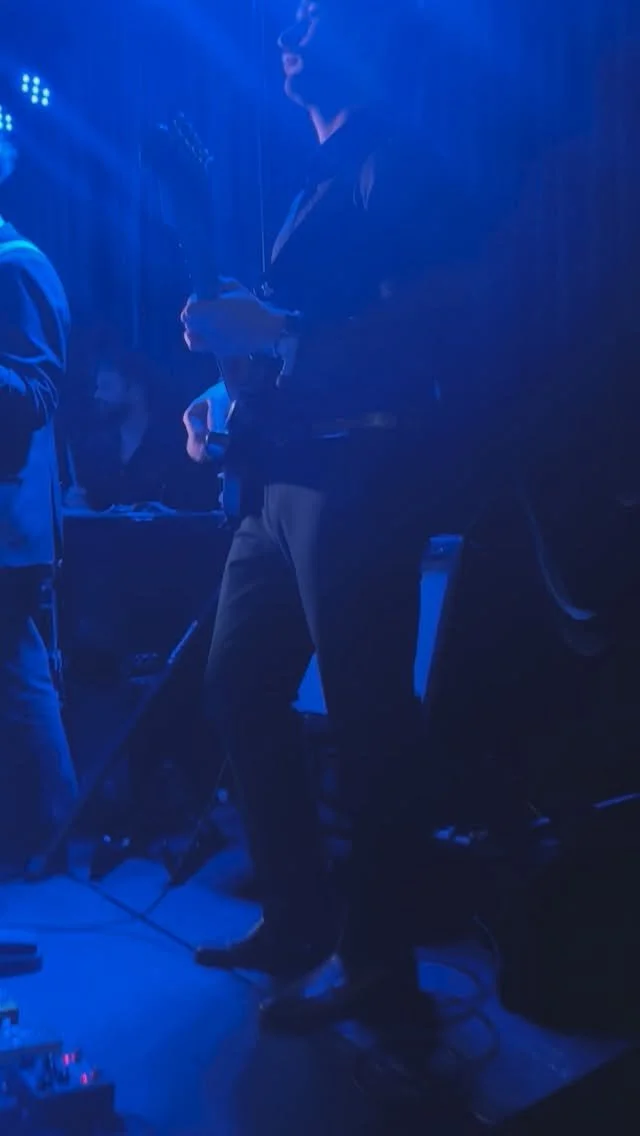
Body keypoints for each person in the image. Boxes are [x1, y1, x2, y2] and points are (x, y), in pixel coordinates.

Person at [182, 0, 486, 1030]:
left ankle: (383, 968)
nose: (287, 35)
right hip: (280, 480)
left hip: (355, 477)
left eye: (312, 17)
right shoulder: (316, 178)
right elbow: (289, 346)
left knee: (367, 721)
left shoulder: (395, 164)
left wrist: (272, 328)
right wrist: (220, 398)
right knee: (235, 687)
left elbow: (427, 321)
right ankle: (300, 918)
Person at [0, 139, 78, 875]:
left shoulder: (17, 264)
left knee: (18, 671)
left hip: (9, 523)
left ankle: (55, 832)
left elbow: (36, 393)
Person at [71, 349, 219, 512]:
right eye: (97, 387)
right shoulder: (95, 449)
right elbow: (86, 502)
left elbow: (199, 506)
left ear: (135, 391)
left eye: (106, 387)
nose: (97, 395)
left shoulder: (178, 446)